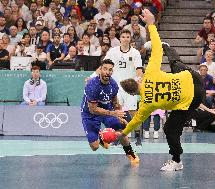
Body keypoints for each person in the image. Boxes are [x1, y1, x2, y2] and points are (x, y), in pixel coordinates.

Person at [117, 9, 205, 171]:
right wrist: (151, 24)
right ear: (139, 79)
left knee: (170, 130)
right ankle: (169, 48)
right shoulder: (149, 73)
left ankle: (177, 161)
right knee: (176, 65)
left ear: (132, 94)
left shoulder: (146, 105)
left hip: (192, 101)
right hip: (195, 80)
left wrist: (123, 133)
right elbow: (156, 48)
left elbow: (136, 121)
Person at [80, 59, 139, 163]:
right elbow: (93, 109)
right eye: (105, 69)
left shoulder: (114, 85)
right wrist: (113, 113)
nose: (107, 72)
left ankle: (130, 153)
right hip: (90, 114)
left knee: (121, 130)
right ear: (100, 70)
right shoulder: (92, 86)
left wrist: (119, 115)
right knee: (95, 147)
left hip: (107, 110)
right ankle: (100, 137)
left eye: (110, 70)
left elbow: (115, 103)